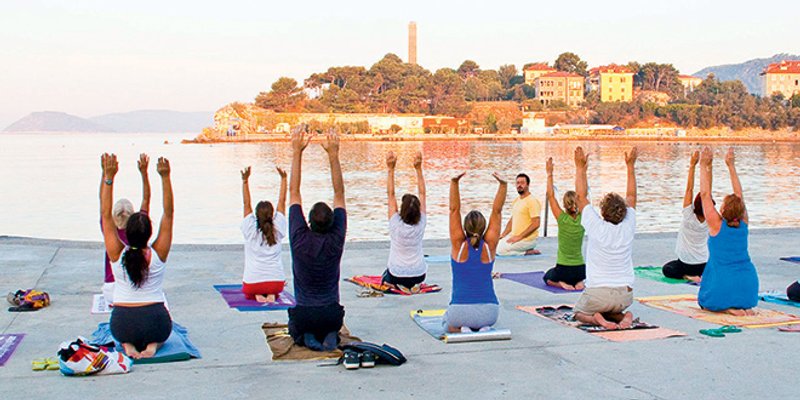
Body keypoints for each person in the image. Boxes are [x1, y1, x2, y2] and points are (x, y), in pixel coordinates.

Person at [100, 153, 174, 360]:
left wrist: (109, 177)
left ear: (126, 233)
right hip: (156, 324)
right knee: (160, 329)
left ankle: (128, 345)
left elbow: (106, 214)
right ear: (150, 232)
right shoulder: (159, 253)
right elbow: (168, 214)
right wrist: (165, 177)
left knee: (126, 334)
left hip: (122, 325)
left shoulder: (117, 253)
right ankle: (152, 345)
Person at [287, 128, 347, 351]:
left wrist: (297, 152)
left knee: (296, 326)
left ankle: (306, 337)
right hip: (332, 314)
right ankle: (331, 334)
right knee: (329, 323)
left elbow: (294, 191)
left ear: (308, 222)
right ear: (333, 222)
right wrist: (333, 155)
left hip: (304, 315)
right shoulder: (336, 238)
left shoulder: (299, 238)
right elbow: (339, 194)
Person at [572, 146, 638, 330]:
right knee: (610, 306)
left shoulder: (596, 226)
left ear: (602, 212)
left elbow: (580, 196)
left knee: (579, 313)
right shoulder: (628, 225)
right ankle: (624, 316)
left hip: (598, 294)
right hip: (625, 295)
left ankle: (597, 320)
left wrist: (580, 168)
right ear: (623, 212)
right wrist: (630, 166)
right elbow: (631, 196)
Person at [697, 147, 759, 316]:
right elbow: (739, 194)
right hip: (749, 289)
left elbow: (705, 194)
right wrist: (731, 165)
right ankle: (742, 307)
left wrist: (704, 165)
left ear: (723, 210)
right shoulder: (744, 222)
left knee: (704, 303)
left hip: (723, 286)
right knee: (738, 294)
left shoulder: (716, 224)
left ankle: (728, 308)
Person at [446, 171, 506, 333]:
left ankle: (463, 329)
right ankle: (483, 327)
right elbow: (497, 211)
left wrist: (454, 182)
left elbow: (453, 210)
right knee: (480, 319)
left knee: (448, 325)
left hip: (460, 312)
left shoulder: (459, 245)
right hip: (490, 313)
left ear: (465, 227)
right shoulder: (490, 246)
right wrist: (503, 185)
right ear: (483, 226)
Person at [99, 154, 150, 304]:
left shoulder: (110, 234)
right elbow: (146, 199)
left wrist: (107, 175)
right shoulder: (140, 230)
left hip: (112, 293)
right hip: (138, 290)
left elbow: (103, 204)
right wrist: (144, 174)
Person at [240, 165, 288, 303]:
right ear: (272, 214)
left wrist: (245, 181)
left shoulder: (250, 229)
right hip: (276, 283)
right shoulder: (278, 227)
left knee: (249, 293)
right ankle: (271, 294)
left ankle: (257, 295)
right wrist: (284, 179)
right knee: (271, 289)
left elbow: (246, 203)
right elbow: (282, 202)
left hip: (252, 284)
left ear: (256, 215)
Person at [381, 151, 427, 293]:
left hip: (397, 275)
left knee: (384, 276)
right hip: (420, 274)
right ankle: (414, 285)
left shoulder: (395, 223)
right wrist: (418, 169)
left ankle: (398, 285)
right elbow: (423, 194)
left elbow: (391, 194)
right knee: (411, 275)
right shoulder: (421, 222)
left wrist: (391, 169)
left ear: (402, 210)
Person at [662, 151, 709, 283]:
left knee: (667, 269)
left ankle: (687, 277)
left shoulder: (688, 215)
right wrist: (706, 166)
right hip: (704, 264)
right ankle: (700, 276)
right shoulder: (711, 220)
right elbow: (706, 193)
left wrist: (692, 165)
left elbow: (689, 189)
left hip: (686, 263)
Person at [542, 157, 586, 291]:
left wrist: (550, 173)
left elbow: (550, 196)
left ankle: (561, 284)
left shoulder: (562, 219)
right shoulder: (583, 218)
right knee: (578, 277)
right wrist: (583, 169)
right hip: (580, 270)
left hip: (563, 269)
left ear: (565, 205)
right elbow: (584, 194)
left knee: (547, 277)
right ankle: (579, 283)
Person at [497, 173, 541, 256]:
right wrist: (503, 234)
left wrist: (519, 237)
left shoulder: (532, 201)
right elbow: (512, 220)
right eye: (517, 183)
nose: (519, 185)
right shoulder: (517, 200)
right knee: (494, 245)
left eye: (522, 183)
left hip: (527, 239)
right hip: (514, 236)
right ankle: (520, 249)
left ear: (528, 184)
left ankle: (526, 252)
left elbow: (536, 223)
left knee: (500, 251)